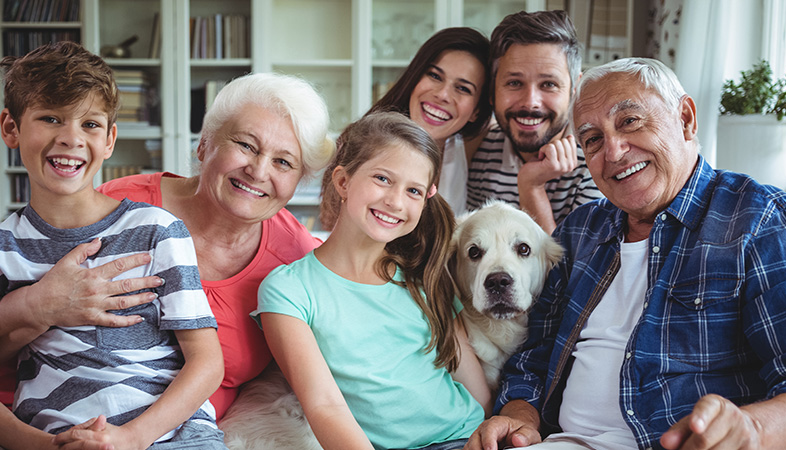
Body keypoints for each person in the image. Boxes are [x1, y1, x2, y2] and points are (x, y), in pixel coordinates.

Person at [465, 57, 786, 450]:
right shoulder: (582, 229)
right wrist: (518, 417)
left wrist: (753, 430)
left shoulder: (761, 219)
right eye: (593, 139)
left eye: (630, 121)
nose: (615, 151)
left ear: (686, 118)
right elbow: (534, 356)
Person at [0, 72, 334, 448]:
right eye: (245, 145)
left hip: (171, 430)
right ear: (204, 144)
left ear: (299, 179)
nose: (258, 170)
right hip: (35, 416)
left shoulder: (295, 259)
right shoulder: (119, 210)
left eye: (284, 162)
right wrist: (38, 304)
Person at [0, 41, 227, 449]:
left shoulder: (158, 229)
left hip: (166, 433)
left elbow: (207, 363)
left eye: (90, 124)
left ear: (110, 139)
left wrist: (130, 438)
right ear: (11, 128)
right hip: (50, 435)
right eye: (50, 118)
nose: (71, 138)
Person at [255, 112, 489, 450]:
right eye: (382, 178)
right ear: (343, 182)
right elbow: (324, 406)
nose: (395, 201)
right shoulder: (289, 290)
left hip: (468, 436)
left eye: (413, 190)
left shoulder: (423, 279)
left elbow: (477, 393)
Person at [466, 10, 602, 234]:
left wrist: (532, 188)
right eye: (514, 83)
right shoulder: (482, 151)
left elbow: (573, 269)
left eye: (548, 84)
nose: (530, 103)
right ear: (492, 91)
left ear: (575, 90)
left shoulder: (597, 161)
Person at [362, 26, 492, 216]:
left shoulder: (468, 146)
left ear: (476, 111)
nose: (442, 95)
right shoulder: (366, 144)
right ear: (414, 77)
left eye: (463, 88)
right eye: (434, 76)